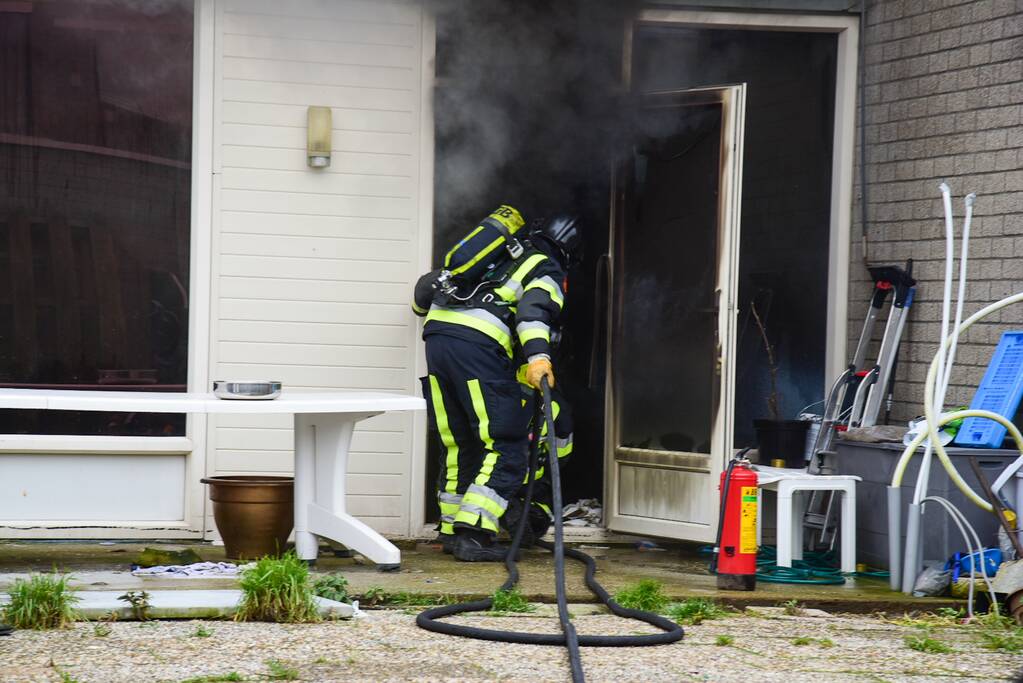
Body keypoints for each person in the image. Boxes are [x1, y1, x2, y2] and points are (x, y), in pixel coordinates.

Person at [413, 210, 581, 561]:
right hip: (478, 346)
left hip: (437, 339)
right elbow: (533, 313)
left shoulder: (495, 256)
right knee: (507, 443)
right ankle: (474, 533)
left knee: (459, 444)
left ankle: (450, 530)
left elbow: (420, 300)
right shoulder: (543, 267)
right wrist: (538, 358)